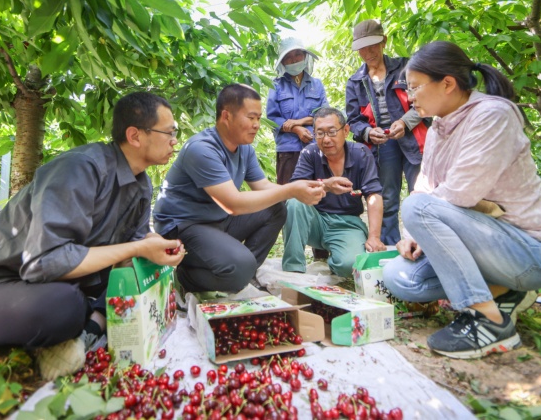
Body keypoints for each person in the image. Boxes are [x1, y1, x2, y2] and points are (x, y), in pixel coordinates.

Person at [0, 92, 185, 379]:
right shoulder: (81, 167)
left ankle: (88, 330)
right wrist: (136, 249)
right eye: (170, 132)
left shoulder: (141, 185)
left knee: (132, 280)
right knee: (61, 307)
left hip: (63, 281)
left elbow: (131, 249)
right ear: (135, 136)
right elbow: (46, 261)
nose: (175, 141)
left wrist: (154, 247)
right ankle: (82, 324)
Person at [382, 41, 541, 359]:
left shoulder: (493, 115)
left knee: (418, 208)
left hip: (535, 252)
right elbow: (425, 185)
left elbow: (458, 195)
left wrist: (422, 218)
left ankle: (489, 322)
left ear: (447, 83)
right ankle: (504, 291)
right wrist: (413, 237)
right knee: (399, 277)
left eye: (414, 87)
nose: (410, 98)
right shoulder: (441, 125)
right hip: (488, 245)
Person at [153, 84, 326, 293]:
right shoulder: (202, 149)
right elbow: (232, 203)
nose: (257, 125)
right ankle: (187, 274)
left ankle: (243, 272)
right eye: (251, 118)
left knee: (276, 207)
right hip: (183, 226)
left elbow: (263, 187)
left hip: (217, 220)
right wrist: (291, 190)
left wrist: (318, 185)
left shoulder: (244, 149)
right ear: (226, 116)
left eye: (259, 118)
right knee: (240, 267)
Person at [346, 20, 429, 245]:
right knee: (388, 198)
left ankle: (425, 247)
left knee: (421, 193)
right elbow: (354, 120)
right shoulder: (355, 81)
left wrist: (405, 122)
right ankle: (391, 248)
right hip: (383, 144)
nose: (368, 52)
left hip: (414, 139)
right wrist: (367, 132)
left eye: (373, 45)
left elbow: (427, 99)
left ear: (383, 41)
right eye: (362, 48)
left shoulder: (406, 67)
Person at [282, 107, 386, 277]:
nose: (326, 139)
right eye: (320, 133)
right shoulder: (310, 153)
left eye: (332, 132)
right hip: (315, 220)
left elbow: (373, 195)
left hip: (347, 224)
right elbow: (296, 188)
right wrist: (326, 185)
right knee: (294, 203)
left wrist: (374, 236)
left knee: (349, 265)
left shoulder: (361, 154)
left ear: (345, 131)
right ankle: (293, 270)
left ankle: (334, 261)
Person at [266, 37, 328, 185]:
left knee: (318, 193)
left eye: (297, 55)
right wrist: (296, 129)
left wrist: (299, 121)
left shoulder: (317, 85)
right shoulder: (276, 85)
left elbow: (325, 115)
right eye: (288, 57)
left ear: (305, 57)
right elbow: (272, 118)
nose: (294, 60)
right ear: (282, 62)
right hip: (288, 151)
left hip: (316, 147)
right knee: (289, 196)